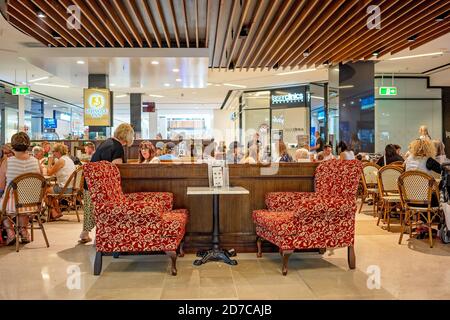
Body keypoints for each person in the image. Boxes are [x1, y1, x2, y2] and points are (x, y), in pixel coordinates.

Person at [79, 123, 135, 244]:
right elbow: (116, 169)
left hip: (90, 183)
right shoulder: (118, 147)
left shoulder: (106, 142)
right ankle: (100, 238)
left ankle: (86, 233)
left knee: (92, 209)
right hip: (101, 186)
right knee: (104, 211)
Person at [0, 133, 41, 245]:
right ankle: (23, 231)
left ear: (12, 145)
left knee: (3, 204)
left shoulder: (7, 162)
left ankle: (10, 232)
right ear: (28, 145)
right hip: (32, 203)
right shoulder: (35, 161)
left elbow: (1, 187)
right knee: (22, 200)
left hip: (12, 204)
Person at [405, 139, 441, 207]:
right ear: (429, 148)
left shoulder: (408, 160)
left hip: (409, 199)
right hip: (427, 200)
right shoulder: (428, 160)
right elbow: (443, 170)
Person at [46, 143, 76, 220]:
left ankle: (53, 211)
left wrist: (49, 162)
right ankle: (58, 211)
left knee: (45, 191)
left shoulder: (61, 161)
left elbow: (49, 173)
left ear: (58, 152)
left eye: (54, 151)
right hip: (72, 187)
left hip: (65, 188)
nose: (53, 154)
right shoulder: (68, 159)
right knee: (50, 190)